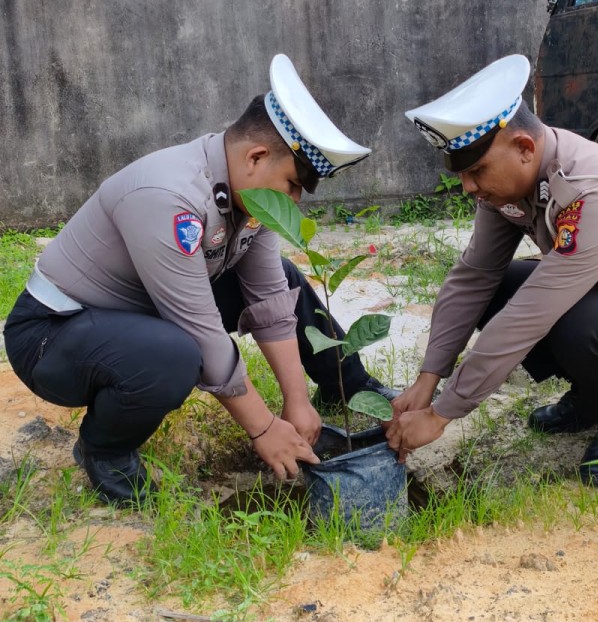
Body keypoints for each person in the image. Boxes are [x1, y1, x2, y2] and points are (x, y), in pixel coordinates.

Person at [3, 54, 393, 506]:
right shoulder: (168, 196)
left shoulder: (250, 197)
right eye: (292, 183)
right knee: (177, 354)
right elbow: (200, 329)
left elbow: (269, 297)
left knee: (285, 280)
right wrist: (264, 428)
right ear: (256, 157)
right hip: (53, 336)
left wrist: (295, 400)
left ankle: (343, 383)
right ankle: (104, 450)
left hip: (137, 316)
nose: (294, 199)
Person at [387, 54, 598, 485]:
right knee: (503, 286)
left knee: (579, 322)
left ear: (525, 148)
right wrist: (428, 378)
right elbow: (474, 276)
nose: (468, 187)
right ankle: (594, 394)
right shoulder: (511, 185)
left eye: (477, 170)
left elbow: (530, 315)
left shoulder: (596, 193)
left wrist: (443, 413)